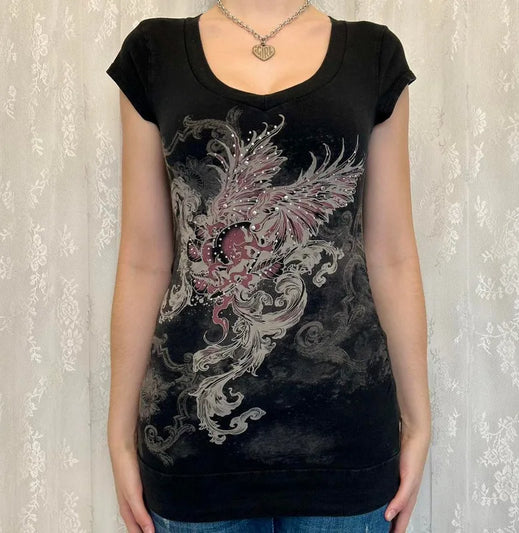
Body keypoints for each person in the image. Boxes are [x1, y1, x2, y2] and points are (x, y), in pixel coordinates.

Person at [106, 1, 431, 532]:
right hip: (192, 453)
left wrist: (418, 424)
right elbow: (145, 259)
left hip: (346, 442)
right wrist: (119, 437)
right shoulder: (154, 53)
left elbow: (391, 253)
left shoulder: (373, 55)